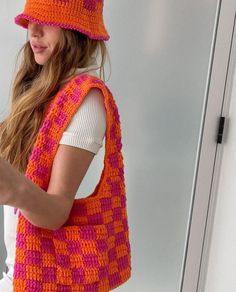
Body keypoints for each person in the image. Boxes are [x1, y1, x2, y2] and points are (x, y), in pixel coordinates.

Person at [0, 0, 131, 291]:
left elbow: (56, 212)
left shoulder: (85, 101)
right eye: (32, 20)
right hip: (16, 273)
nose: (33, 31)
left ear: (76, 29)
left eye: (47, 20)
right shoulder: (42, 90)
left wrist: (16, 189)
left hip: (34, 282)